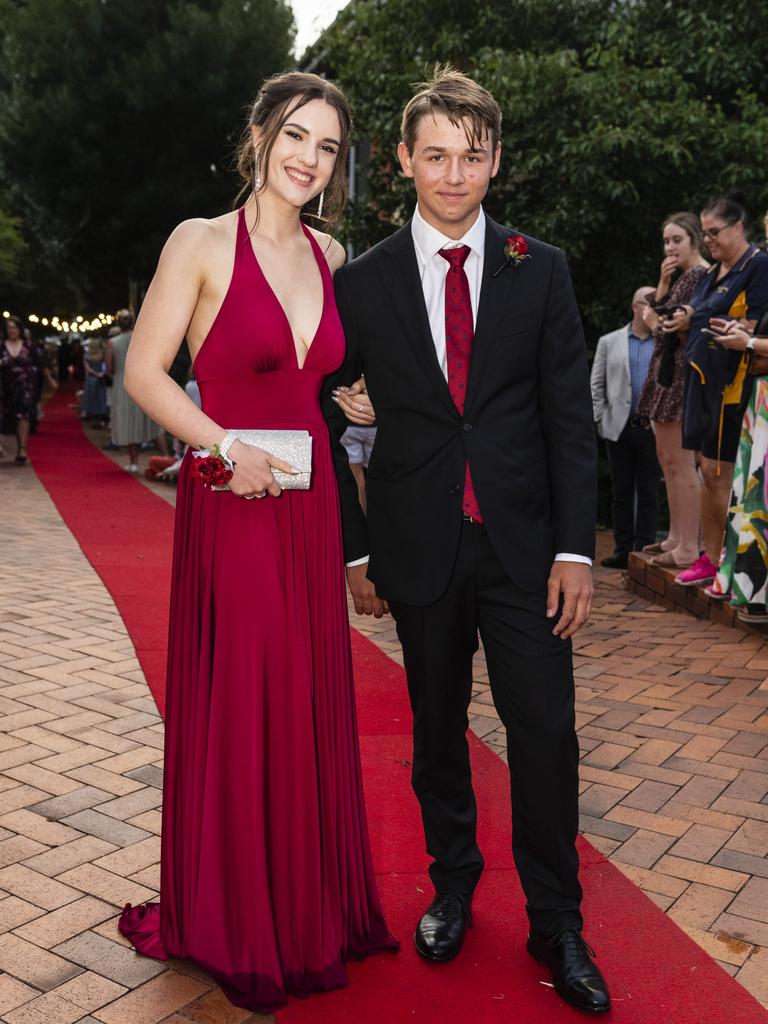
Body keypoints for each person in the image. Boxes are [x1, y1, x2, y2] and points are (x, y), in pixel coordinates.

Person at [325, 66, 608, 1014]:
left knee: (547, 737)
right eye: (435, 155)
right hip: (419, 548)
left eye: (472, 155)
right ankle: (453, 886)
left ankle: (557, 919)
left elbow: (570, 419)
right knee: (437, 732)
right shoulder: (360, 283)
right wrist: (356, 550)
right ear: (404, 159)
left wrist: (578, 550)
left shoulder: (543, 266)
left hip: (529, 554)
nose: (454, 173)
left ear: (496, 158)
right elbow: (329, 416)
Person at [116, 71, 397, 1013]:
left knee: (305, 699)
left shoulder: (332, 250)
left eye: (327, 147)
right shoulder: (198, 243)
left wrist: (348, 398)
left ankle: (304, 905)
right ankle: (238, 919)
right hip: (233, 505)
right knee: (245, 698)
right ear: (261, 133)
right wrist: (221, 444)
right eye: (296, 137)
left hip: (309, 512)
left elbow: (316, 387)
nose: (309, 160)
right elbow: (149, 375)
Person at [668, 195, 768, 587]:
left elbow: (754, 322)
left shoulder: (757, 265)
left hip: (734, 383)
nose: (707, 240)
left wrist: (728, 328)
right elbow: (702, 311)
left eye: (714, 232)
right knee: (706, 471)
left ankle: (729, 566)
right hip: (702, 378)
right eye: (705, 233)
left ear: (738, 227)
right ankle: (711, 557)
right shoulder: (714, 273)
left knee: (721, 472)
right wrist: (687, 319)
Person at [637, 213, 709, 568]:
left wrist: (652, 319)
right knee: (669, 463)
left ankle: (688, 547)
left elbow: (666, 323)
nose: (670, 248)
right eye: (666, 241)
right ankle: (678, 537)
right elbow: (660, 309)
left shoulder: (699, 275)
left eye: (676, 239)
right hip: (667, 375)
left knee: (681, 465)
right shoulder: (684, 276)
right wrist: (661, 286)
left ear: (694, 238)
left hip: (680, 377)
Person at [591, 287, 660, 569]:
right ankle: (622, 550)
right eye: (651, 303)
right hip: (618, 428)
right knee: (621, 492)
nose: (657, 308)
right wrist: (599, 419)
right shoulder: (610, 341)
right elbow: (596, 385)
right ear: (636, 307)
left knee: (650, 492)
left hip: (654, 430)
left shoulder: (664, 342)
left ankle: (643, 549)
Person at [707, 315, 768, 619]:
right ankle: (753, 591)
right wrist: (747, 334)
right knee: (753, 500)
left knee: (761, 500)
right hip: (760, 398)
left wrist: (749, 342)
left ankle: (757, 592)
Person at [107, 309, 167, 472]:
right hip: (143, 382)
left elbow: (110, 367)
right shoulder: (143, 338)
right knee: (151, 422)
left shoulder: (113, 342)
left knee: (128, 421)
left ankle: (134, 463)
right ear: (133, 321)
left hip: (122, 383)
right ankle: (166, 458)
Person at [0, 315, 57, 463]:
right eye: (9, 328)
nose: (12, 330)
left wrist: (50, 380)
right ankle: (19, 443)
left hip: (26, 385)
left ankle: (23, 448)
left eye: (14, 327)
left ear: (20, 329)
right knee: (12, 417)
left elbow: (41, 363)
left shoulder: (29, 345)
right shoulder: (1, 345)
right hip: (7, 386)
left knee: (23, 414)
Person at [82, 339, 109, 426]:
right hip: (100, 379)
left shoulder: (87, 355)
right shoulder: (102, 354)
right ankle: (100, 420)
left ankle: (94, 420)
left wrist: (95, 374)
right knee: (100, 399)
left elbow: (87, 369)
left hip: (91, 379)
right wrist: (101, 374)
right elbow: (105, 365)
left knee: (92, 399)